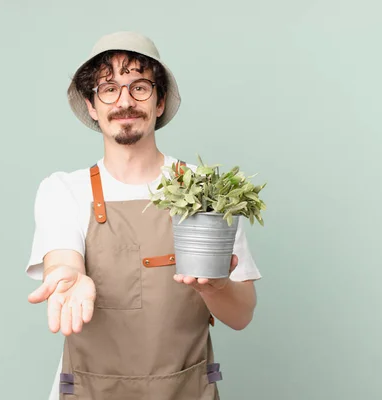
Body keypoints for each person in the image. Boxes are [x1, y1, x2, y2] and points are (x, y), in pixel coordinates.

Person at [26, 31, 261, 400]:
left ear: (160, 100)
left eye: (139, 87)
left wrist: (215, 288)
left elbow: (242, 315)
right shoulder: (64, 190)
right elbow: (62, 261)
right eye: (108, 88)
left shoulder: (207, 192)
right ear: (91, 105)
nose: (124, 101)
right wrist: (69, 278)